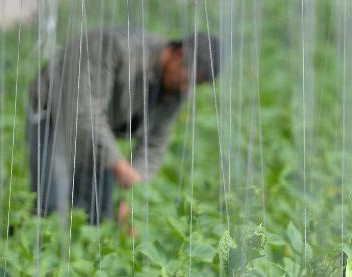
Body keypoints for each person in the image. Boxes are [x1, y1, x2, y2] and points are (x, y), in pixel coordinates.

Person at [27, 28, 221, 226]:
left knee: (98, 216)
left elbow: (154, 143)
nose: (186, 88)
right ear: (179, 54)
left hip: (99, 129)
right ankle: (39, 244)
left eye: (194, 85)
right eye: (187, 80)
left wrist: (132, 196)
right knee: (50, 208)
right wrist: (119, 166)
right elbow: (84, 111)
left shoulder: (177, 88)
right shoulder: (116, 48)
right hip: (54, 114)